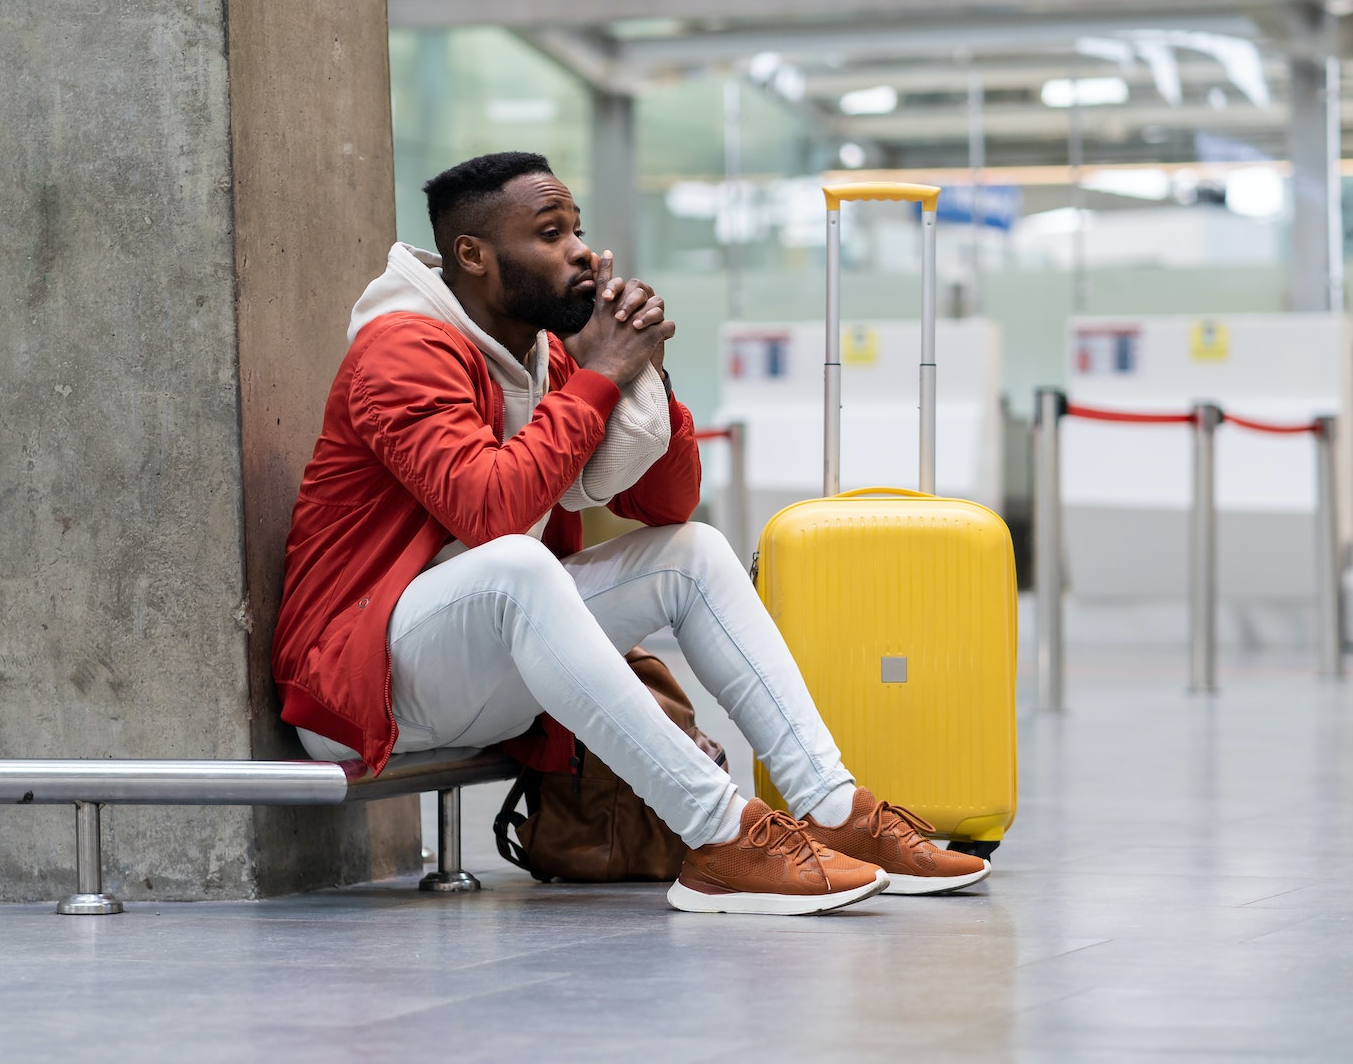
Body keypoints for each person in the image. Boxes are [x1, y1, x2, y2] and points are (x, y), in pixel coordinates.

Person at [273, 151, 988, 915]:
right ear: (473, 255)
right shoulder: (402, 349)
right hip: (365, 686)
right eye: (551, 233)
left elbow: (670, 502)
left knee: (695, 552)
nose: (581, 251)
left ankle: (835, 807)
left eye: (578, 230)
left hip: (483, 674)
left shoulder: (545, 356)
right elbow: (491, 514)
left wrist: (645, 371)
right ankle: (719, 836)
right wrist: (599, 377)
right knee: (517, 564)